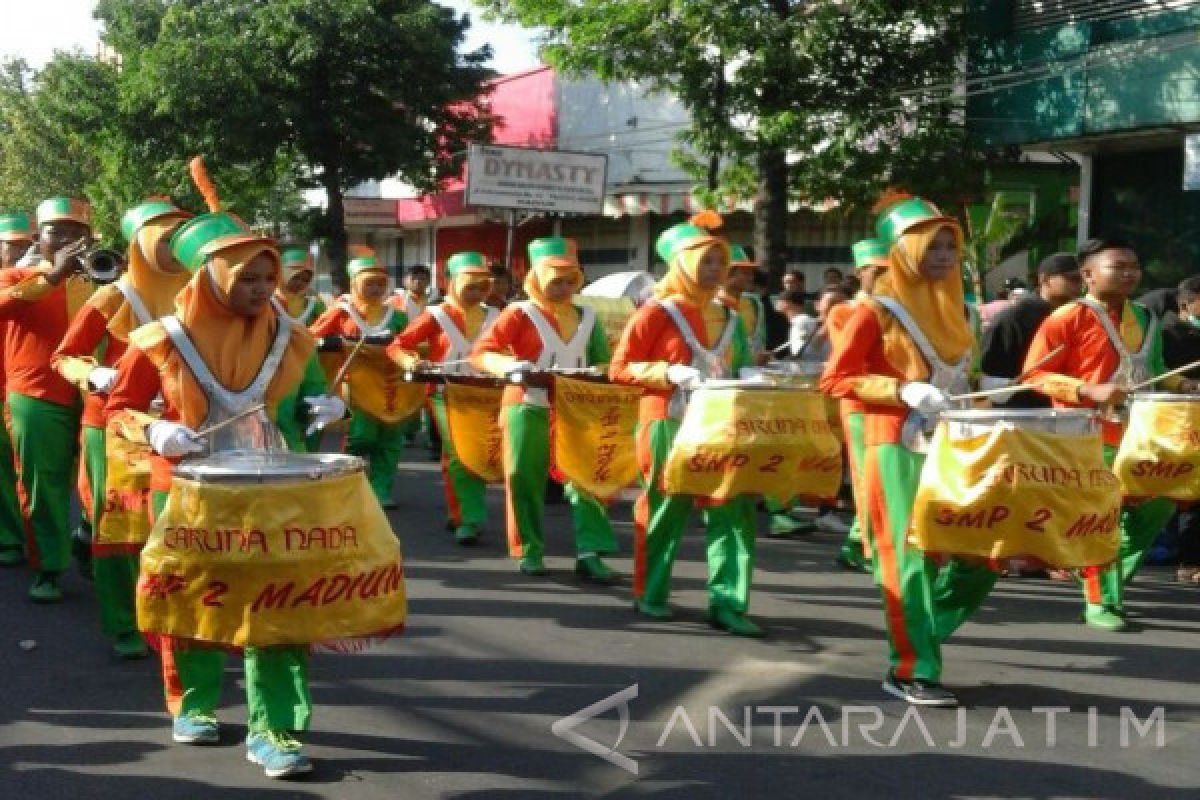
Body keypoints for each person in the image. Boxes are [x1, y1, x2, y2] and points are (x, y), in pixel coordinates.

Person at [105, 209, 343, 778]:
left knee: (279, 606)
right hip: (189, 492)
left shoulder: (291, 336)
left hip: (274, 490)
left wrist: (328, 410)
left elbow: (313, 405)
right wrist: (158, 430)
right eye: (248, 280)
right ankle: (195, 703)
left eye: (268, 279)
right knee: (193, 600)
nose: (261, 290)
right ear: (213, 278)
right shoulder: (161, 338)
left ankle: (276, 727)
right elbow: (120, 410)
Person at [821, 196, 999, 706]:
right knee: (911, 557)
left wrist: (993, 384)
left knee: (982, 555)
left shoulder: (964, 310)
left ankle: (921, 631)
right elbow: (836, 379)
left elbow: (968, 375)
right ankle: (912, 666)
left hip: (960, 444)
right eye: (931, 245)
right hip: (895, 444)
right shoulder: (874, 309)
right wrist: (899, 390)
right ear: (903, 250)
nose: (943, 254)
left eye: (951, 245)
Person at [1022, 237, 1199, 631]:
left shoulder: (1145, 316)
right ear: (1087, 275)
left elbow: (1151, 371)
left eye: (1133, 266)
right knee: (1100, 518)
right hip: (1086, 435)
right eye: (1117, 266)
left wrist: (1182, 386)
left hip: (1139, 434)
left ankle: (1108, 576)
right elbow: (1034, 375)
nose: (1129, 273)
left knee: (1159, 506)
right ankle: (1102, 600)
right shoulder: (1067, 317)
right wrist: (1086, 389)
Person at [50, 200, 193, 656]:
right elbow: (64, 356)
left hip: (178, 426)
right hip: (114, 425)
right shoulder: (114, 295)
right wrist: (95, 376)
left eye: (180, 239)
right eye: (165, 239)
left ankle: (171, 615)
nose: (174, 249)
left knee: (172, 526)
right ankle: (123, 623)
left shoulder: (201, 295)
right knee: (118, 526)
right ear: (141, 244)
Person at [610, 221, 763, 636]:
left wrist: (754, 378)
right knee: (664, 508)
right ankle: (652, 592)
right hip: (667, 421)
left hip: (722, 426)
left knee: (734, 511)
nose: (715, 269)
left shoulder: (730, 314)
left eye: (720, 261)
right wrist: (667, 371)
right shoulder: (656, 312)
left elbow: (741, 363)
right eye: (704, 261)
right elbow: (619, 369)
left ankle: (729, 602)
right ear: (681, 264)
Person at [470, 237, 617, 583]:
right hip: (526, 404)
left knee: (585, 480)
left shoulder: (588, 315)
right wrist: (512, 367)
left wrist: (597, 376)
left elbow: (603, 361)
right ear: (536, 279)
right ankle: (530, 549)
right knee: (524, 477)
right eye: (556, 281)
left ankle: (590, 552)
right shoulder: (518, 312)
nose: (565, 288)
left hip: (576, 408)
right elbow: (481, 353)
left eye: (571, 281)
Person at [0, 197, 96, 602]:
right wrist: (53, 276)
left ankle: (90, 542)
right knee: (42, 484)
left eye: (78, 233)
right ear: (40, 237)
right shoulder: (15, 274)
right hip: (37, 391)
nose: (70, 240)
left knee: (102, 484)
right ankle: (49, 568)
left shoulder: (98, 277)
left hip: (94, 392)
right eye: (59, 232)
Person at [388, 251, 498, 545]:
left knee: (474, 454)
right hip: (445, 393)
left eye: (481, 287)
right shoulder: (436, 315)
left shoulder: (497, 316)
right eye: (470, 287)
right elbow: (398, 346)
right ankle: (469, 518)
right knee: (460, 453)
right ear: (453, 284)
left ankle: (459, 510)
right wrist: (412, 363)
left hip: (488, 395)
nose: (476, 294)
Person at [310, 248, 413, 507]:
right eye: (370, 283)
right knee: (362, 436)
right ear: (355, 284)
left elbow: (413, 343)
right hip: (356, 384)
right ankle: (349, 482)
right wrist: (333, 342)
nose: (376, 289)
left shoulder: (397, 315)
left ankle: (381, 490)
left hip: (392, 384)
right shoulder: (342, 312)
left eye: (381, 284)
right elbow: (312, 336)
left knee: (390, 441)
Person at [823, 238, 890, 572]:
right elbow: (848, 363)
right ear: (859, 272)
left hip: (894, 405)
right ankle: (868, 549)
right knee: (865, 480)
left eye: (887, 270)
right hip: (859, 401)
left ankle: (857, 543)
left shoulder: (899, 310)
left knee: (878, 482)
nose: (880, 276)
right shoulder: (844, 311)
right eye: (873, 270)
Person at [979, 253, 1083, 409]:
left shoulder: (1080, 315)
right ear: (1045, 280)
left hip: (1068, 406)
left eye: (1082, 279)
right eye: (1073, 279)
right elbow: (992, 374)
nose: (1079, 285)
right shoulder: (1013, 318)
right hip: (1023, 411)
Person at [0, 212, 34, 569]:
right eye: (14, 247)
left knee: (25, 468)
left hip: (24, 388)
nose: (23, 252)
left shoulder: (37, 280)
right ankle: (9, 537)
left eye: (28, 245)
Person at [1163, 276, 1200, 584]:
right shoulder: (1169, 332)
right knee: (1189, 493)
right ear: (1187, 302)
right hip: (1180, 422)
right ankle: (1189, 561)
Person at [718, 245, 768, 358]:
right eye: (745, 273)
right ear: (726, 274)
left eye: (751, 273)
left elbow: (760, 340)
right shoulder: (711, 304)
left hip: (750, 372)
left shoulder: (755, 304)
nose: (750, 278)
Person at [274, 246, 327, 326]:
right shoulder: (269, 301)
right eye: (295, 277)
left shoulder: (314, 304)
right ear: (282, 274)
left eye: (305, 280)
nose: (299, 283)